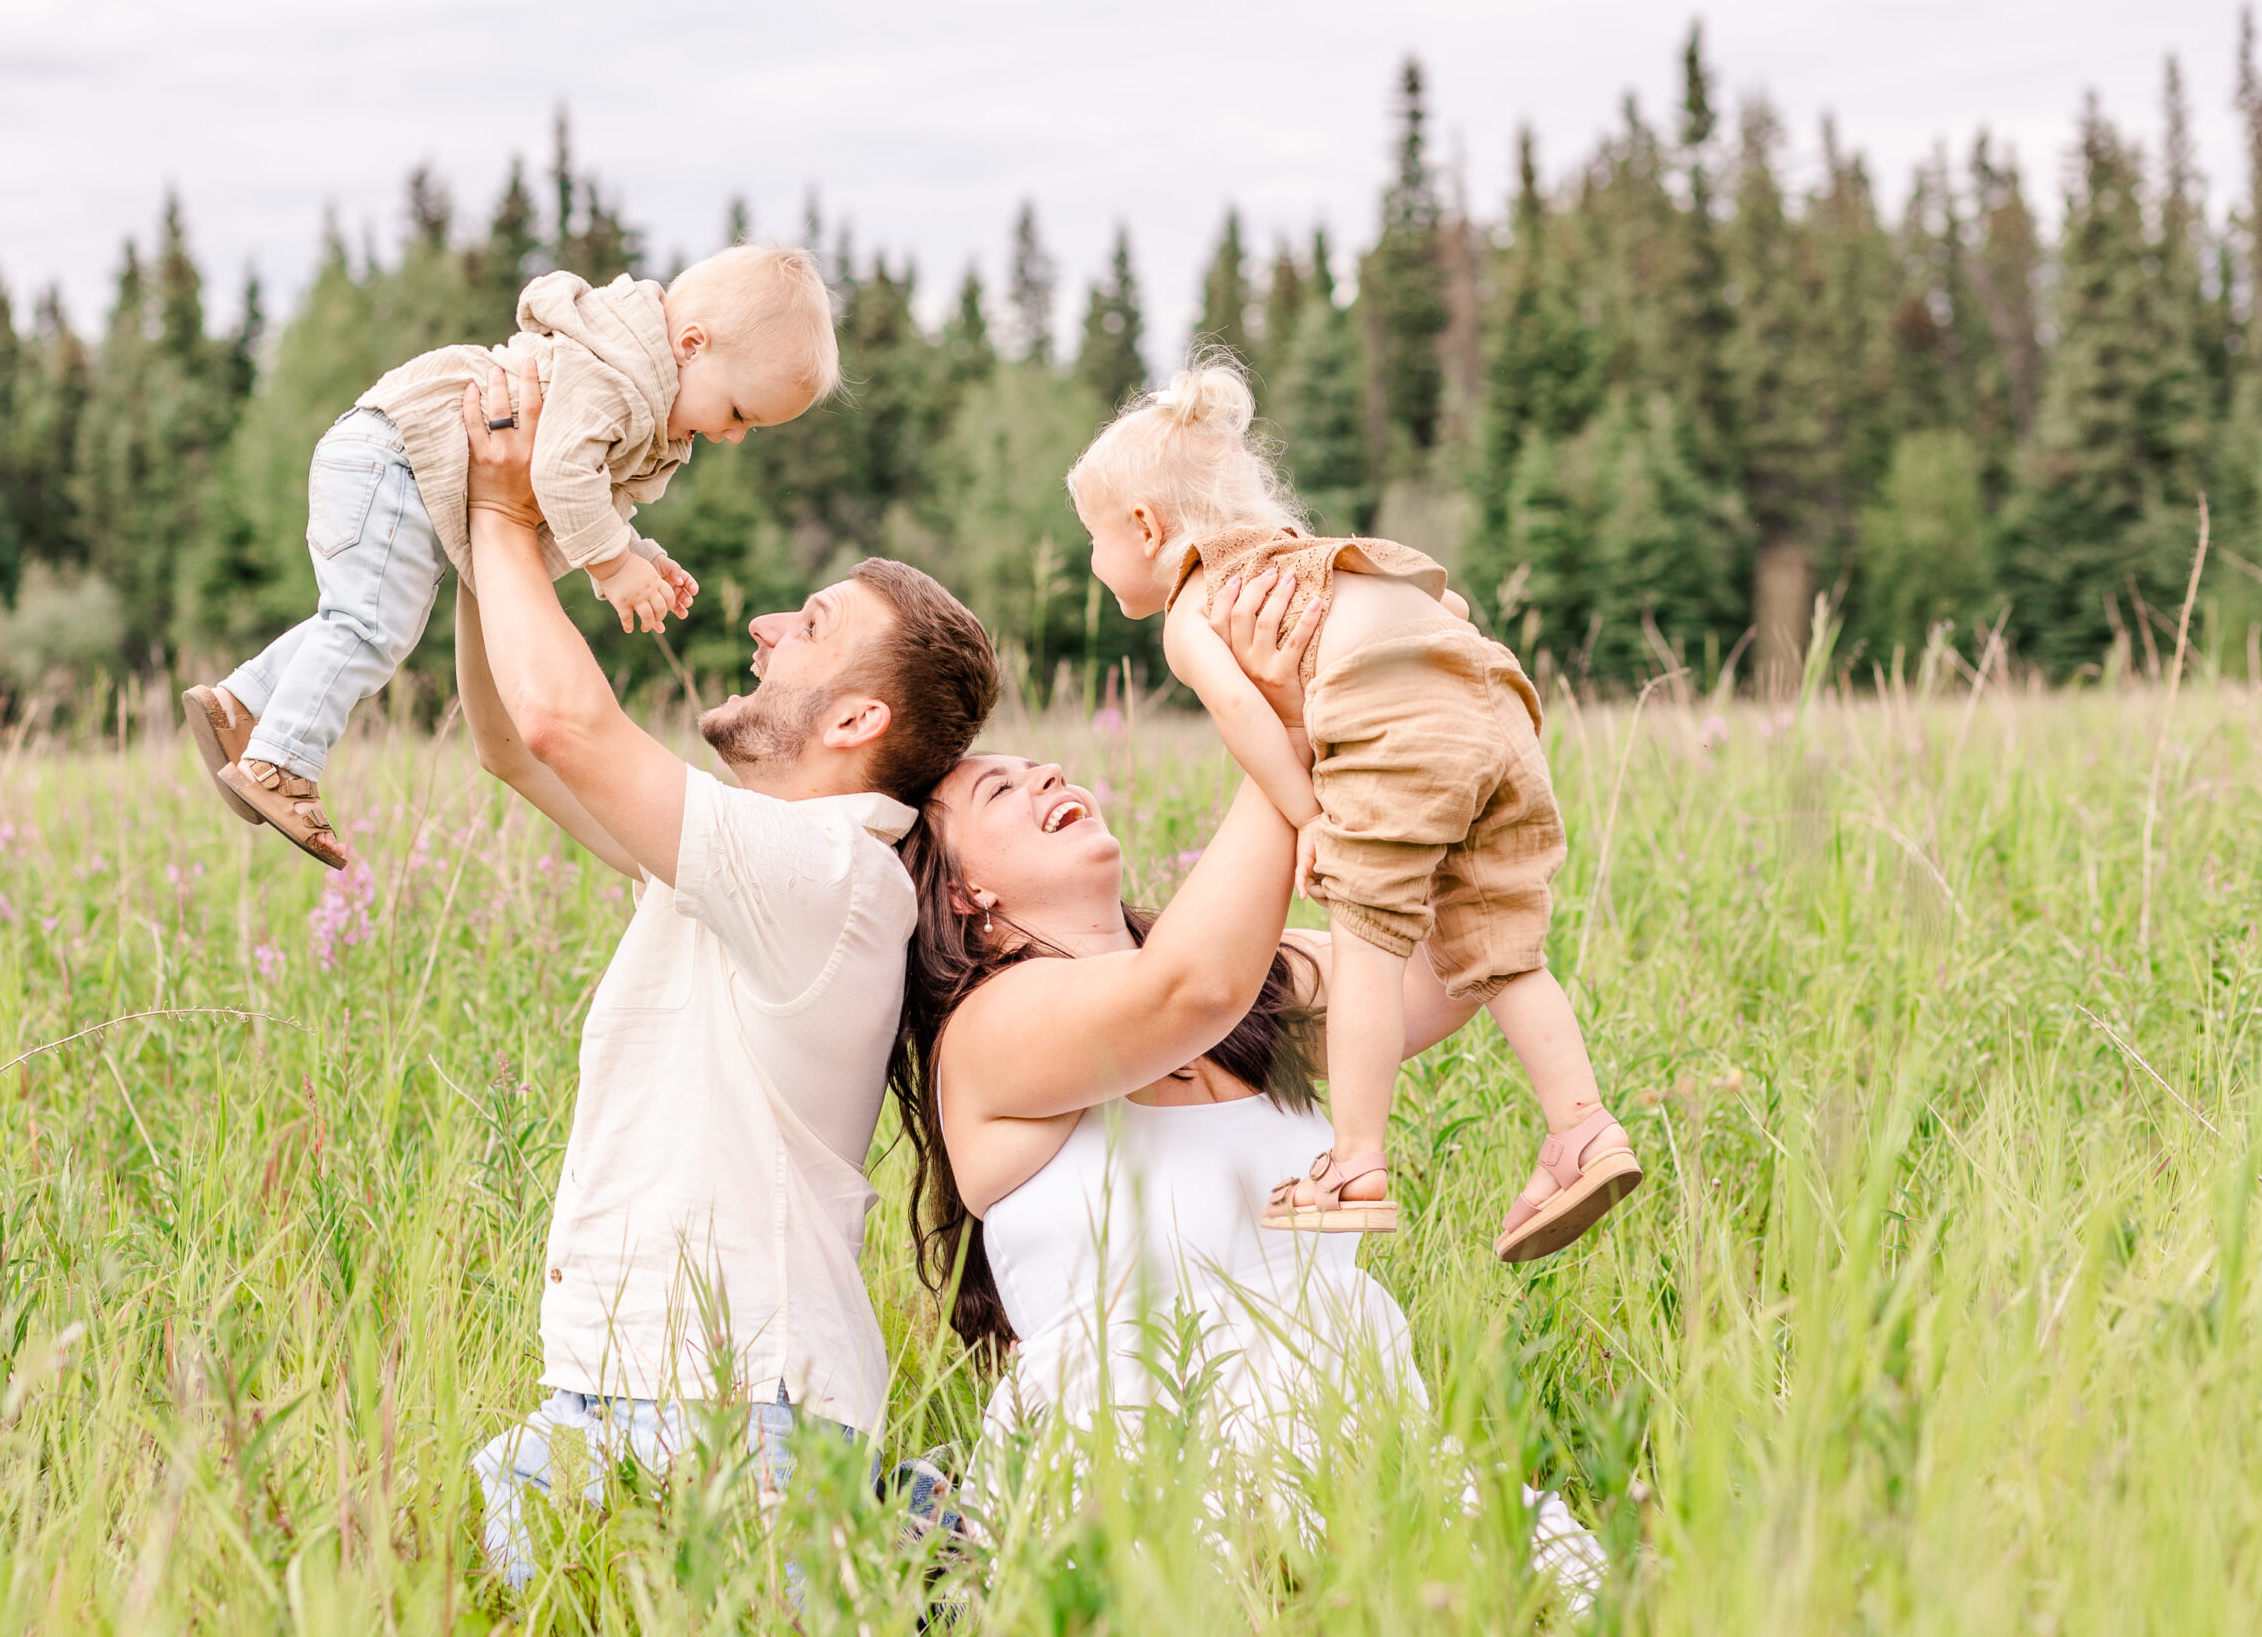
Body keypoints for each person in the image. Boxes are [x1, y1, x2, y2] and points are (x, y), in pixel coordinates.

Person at [887, 570, 1603, 1605]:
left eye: (1041, 765)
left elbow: (1458, 961)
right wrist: (1278, 719)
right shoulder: (991, 1034)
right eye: (1001, 789)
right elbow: (1185, 987)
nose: (1044, 775)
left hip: (1365, 1464)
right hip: (1138, 1499)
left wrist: (1410, 700)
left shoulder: (1266, 986)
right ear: (966, 893)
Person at [450, 365, 1000, 1588]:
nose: (763, 629)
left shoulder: (826, 874)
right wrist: (495, 528)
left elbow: (563, 727)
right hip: (610, 1395)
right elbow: (508, 743)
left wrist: (505, 513)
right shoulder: (744, 866)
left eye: (807, 627)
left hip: (740, 1404)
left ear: (857, 723)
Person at [1066, 358, 1638, 1263]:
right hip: (1493, 697)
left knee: (1367, 943)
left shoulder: (1194, 607)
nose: (1091, 561)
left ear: (1144, 526)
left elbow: (1250, 717)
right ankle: (1583, 1126)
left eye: (1090, 538)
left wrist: (1309, 817)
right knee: (1495, 945)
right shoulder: (1295, 554)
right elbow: (1440, 602)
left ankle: (1355, 1162)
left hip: (1401, 726)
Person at [178, 245, 838, 868]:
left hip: (390, 463)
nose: (732, 436)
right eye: (738, 411)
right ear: (691, 346)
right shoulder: (616, 376)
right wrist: (612, 564)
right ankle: (281, 762)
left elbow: (579, 489)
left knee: (365, 620)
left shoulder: (635, 390)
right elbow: (559, 474)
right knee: (372, 626)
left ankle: (240, 704)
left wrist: (638, 552)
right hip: (394, 459)